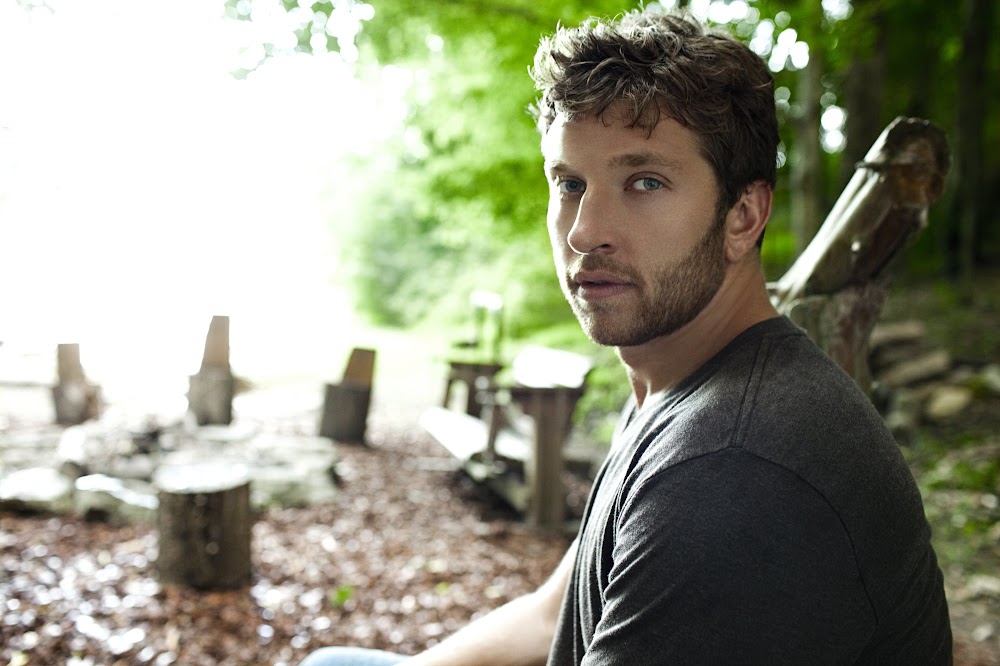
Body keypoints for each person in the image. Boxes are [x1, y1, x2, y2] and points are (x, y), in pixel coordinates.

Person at [301, 7, 952, 665]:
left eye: (644, 182)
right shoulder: (671, 379)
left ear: (743, 216)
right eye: (570, 183)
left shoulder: (731, 474)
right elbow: (550, 617)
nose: (585, 231)